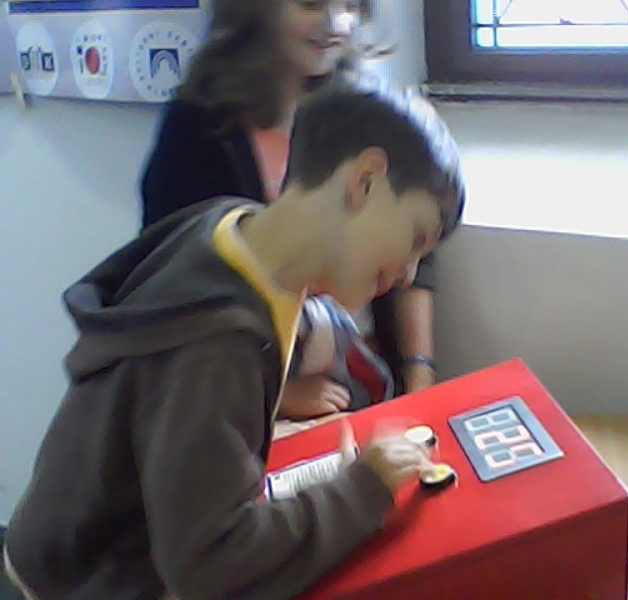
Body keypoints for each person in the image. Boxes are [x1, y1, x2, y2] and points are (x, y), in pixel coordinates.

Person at [3, 75, 465, 600]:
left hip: (79, 548)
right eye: (416, 238)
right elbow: (212, 567)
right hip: (88, 583)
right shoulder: (218, 348)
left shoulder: (229, 226)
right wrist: (364, 490)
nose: (408, 274)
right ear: (365, 181)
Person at [140, 0, 439, 421]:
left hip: (366, 374)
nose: (334, 24)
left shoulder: (367, 105)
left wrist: (418, 372)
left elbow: (414, 250)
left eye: (350, 5)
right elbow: (172, 288)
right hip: (253, 398)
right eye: (310, 4)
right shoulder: (200, 126)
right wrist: (277, 395)